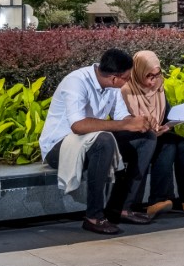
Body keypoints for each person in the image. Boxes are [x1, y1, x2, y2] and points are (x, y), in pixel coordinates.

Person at [39, 48, 158, 235]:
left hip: (95, 141)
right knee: (104, 140)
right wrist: (124, 125)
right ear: (114, 78)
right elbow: (78, 126)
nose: (127, 83)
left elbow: (121, 117)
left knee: (146, 137)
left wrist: (137, 123)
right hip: (59, 146)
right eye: (126, 79)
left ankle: (122, 208)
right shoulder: (76, 82)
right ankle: (93, 216)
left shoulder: (113, 86)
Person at [120, 50, 184, 215]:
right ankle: (157, 200)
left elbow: (166, 115)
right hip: (135, 140)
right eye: (149, 76)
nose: (153, 81)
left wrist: (168, 125)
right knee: (168, 146)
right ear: (138, 71)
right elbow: (127, 121)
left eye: (156, 75)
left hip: (155, 135)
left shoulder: (158, 87)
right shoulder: (127, 90)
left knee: (182, 144)